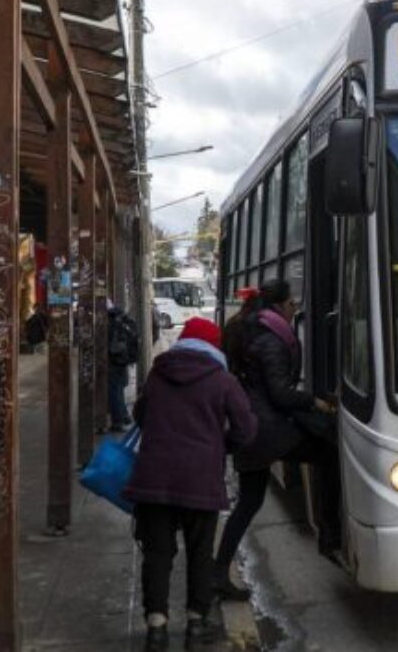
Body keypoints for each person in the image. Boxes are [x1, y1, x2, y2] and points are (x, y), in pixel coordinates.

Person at [124, 317, 257, 651]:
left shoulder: (158, 375)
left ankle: (156, 627)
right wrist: (217, 444)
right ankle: (196, 625)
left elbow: (140, 416)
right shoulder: (224, 381)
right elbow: (246, 431)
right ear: (214, 347)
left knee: (157, 554)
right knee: (199, 554)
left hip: (154, 478)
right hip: (201, 480)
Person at [213, 279, 339, 601]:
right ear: (280, 305)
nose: (295, 308)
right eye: (292, 303)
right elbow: (281, 395)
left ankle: (217, 573)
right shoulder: (270, 339)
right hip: (266, 430)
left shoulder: (252, 329)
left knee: (249, 503)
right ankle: (331, 531)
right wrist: (315, 402)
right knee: (328, 451)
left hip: (253, 428)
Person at [106, 304, 140, 431]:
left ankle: (118, 421)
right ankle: (124, 415)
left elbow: (111, 346)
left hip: (114, 361)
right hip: (123, 360)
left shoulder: (112, 324)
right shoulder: (124, 321)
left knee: (114, 391)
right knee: (119, 389)